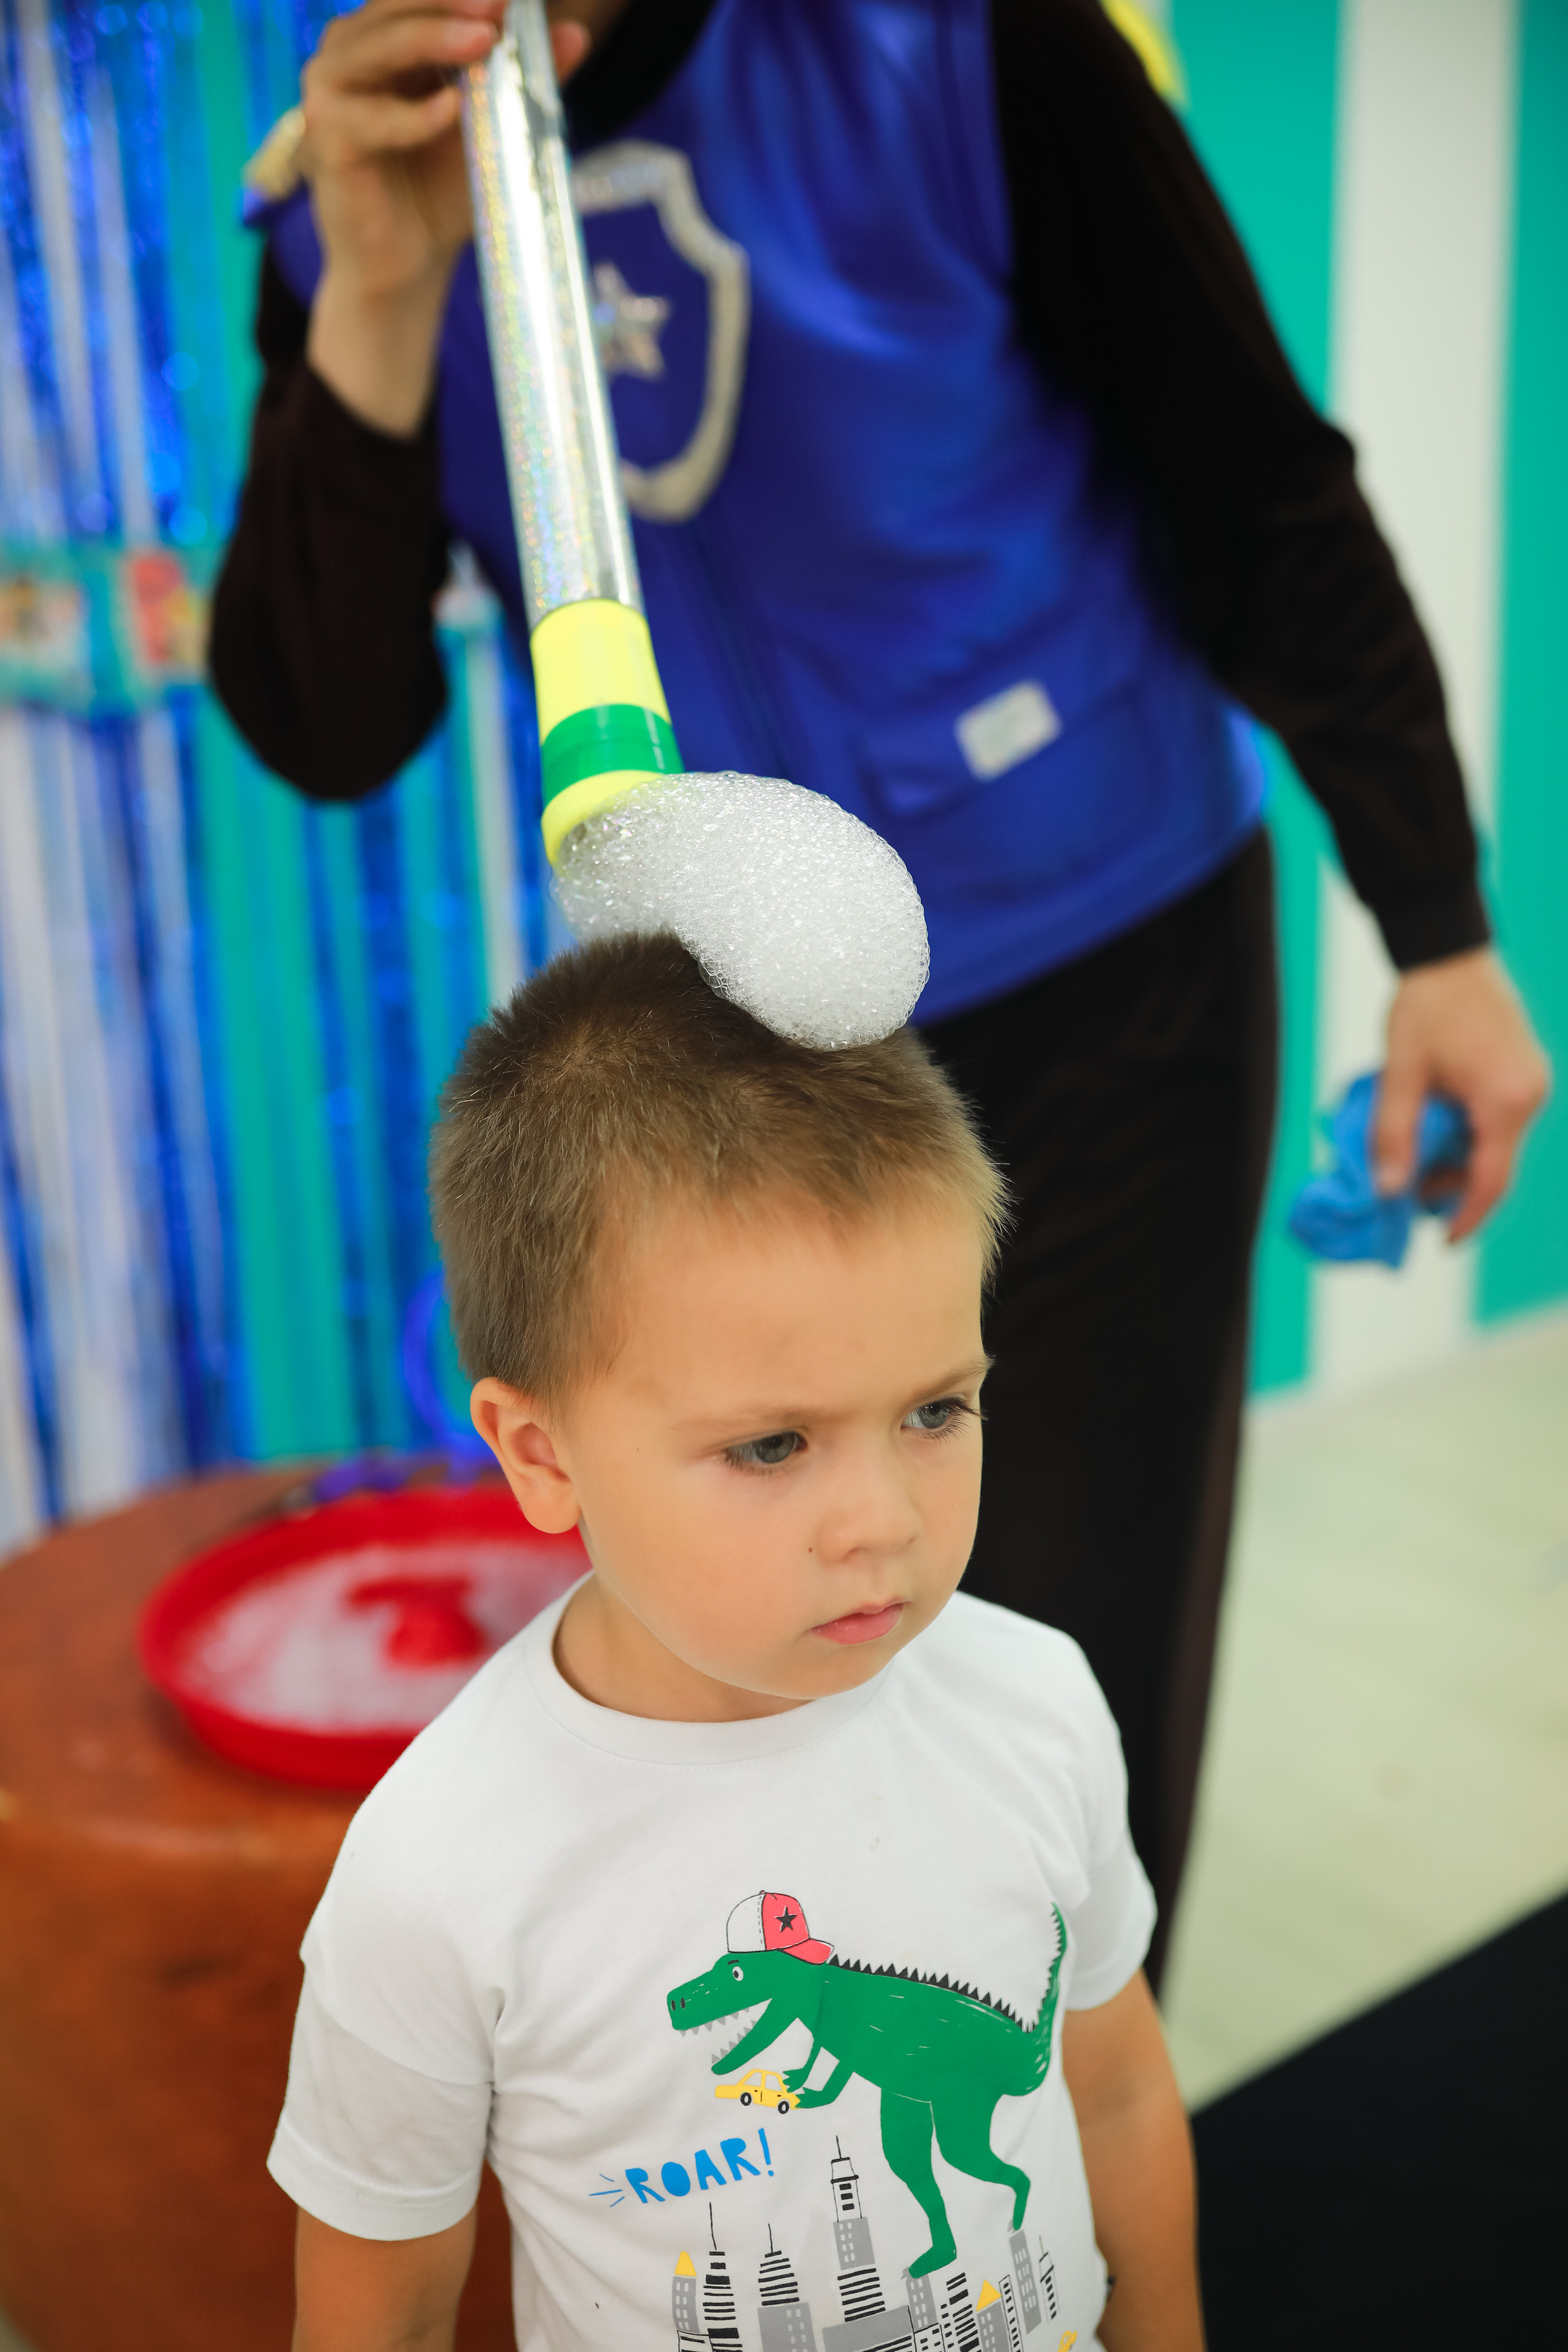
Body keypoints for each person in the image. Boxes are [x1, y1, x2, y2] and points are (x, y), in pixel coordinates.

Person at [210, 0, 1549, 1980]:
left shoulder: (959, 42)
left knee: (1059, 1673)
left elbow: (1256, 484)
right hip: (726, 1050)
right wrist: (385, 287)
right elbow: (324, 721)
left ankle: (1066, 2127)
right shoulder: (347, 191)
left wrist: (1439, 928)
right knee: (768, 1668)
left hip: (1108, 968)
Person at [271, 933, 1200, 2352]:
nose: (882, 1520)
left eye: (934, 1411)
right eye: (770, 1445)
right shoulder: (435, 1876)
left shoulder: (1036, 1702)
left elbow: (1116, 2091)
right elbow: (381, 2306)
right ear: (541, 1455)